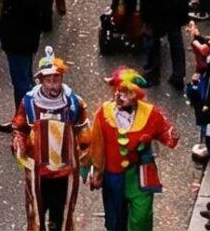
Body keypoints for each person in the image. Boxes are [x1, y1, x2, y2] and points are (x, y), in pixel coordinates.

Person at [81, 69, 177, 231]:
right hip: (113, 176)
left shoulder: (150, 113)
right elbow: (96, 144)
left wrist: (170, 136)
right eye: (117, 90)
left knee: (141, 218)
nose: (119, 95)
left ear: (135, 94)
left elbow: (166, 133)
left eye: (125, 91)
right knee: (115, 221)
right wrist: (96, 172)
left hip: (140, 173)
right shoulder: (103, 113)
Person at [12, 52, 86, 231]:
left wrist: (87, 156)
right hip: (39, 171)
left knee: (61, 214)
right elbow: (19, 127)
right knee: (36, 214)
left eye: (57, 79)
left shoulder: (73, 102)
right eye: (49, 80)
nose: (53, 84)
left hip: (64, 170)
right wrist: (19, 143)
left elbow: (82, 129)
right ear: (41, 81)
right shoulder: (29, 101)